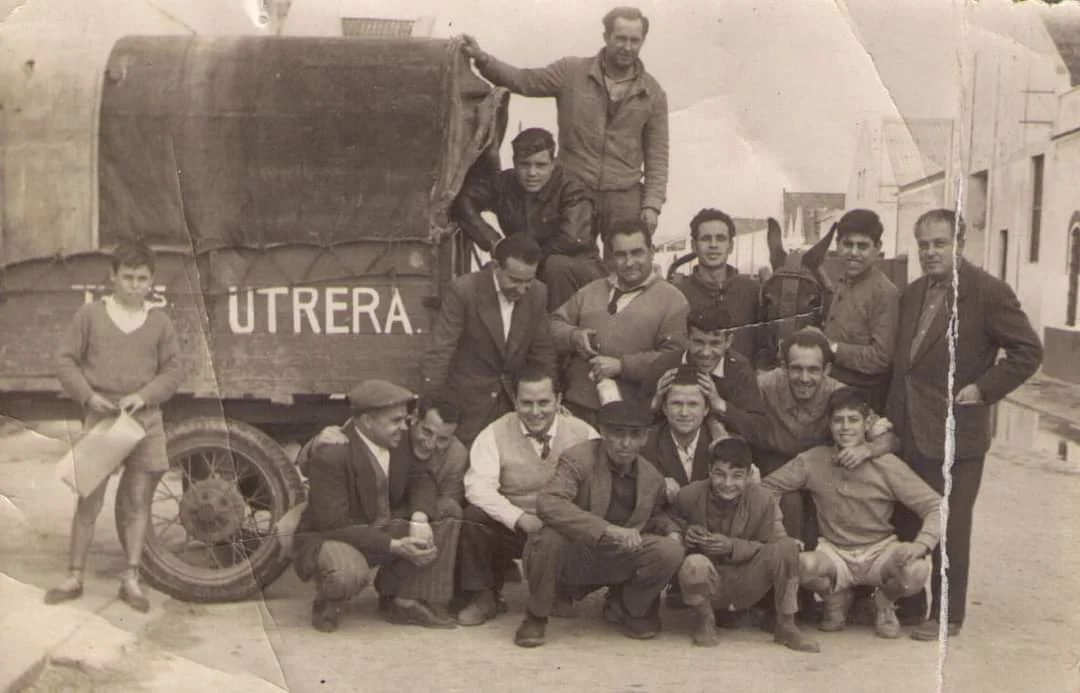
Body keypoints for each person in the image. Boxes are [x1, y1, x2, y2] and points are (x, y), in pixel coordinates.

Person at [887, 209, 1042, 640]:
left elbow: (1028, 352)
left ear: (960, 244)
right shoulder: (912, 292)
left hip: (958, 433)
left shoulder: (989, 293)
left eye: (939, 244)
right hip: (909, 427)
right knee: (906, 517)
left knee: (952, 525)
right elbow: (908, 365)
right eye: (923, 245)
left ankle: (948, 616)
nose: (930, 253)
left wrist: (983, 389)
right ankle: (911, 605)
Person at [46, 239, 181, 612]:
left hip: (145, 421)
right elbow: (65, 362)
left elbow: (172, 371)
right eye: (127, 277)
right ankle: (74, 575)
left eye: (142, 278)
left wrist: (145, 395)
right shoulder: (90, 315)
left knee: (137, 502)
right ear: (113, 276)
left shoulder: (159, 322)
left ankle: (131, 579)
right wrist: (88, 396)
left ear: (152, 281)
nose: (134, 285)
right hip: (103, 419)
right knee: (89, 500)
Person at [459, 6, 669, 238]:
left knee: (624, 265)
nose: (627, 47)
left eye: (635, 40)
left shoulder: (653, 93)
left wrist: (652, 204)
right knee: (569, 259)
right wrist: (483, 59)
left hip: (624, 195)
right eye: (620, 38)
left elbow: (657, 154)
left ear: (643, 41)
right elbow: (524, 81)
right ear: (606, 36)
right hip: (573, 189)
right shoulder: (571, 72)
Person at [762, 389, 942, 640]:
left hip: (880, 550)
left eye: (853, 420)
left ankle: (883, 601)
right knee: (798, 565)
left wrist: (922, 544)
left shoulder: (886, 465)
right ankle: (835, 596)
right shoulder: (814, 460)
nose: (845, 427)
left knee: (916, 571)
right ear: (829, 424)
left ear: (867, 424)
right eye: (838, 420)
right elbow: (767, 488)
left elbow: (936, 505)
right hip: (834, 552)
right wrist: (780, 534)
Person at [290, 380, 457, 632]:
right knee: (347, 573)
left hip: (379, 527)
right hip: (338, 537)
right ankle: (328, 598)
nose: (404, 426)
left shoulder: (397, 439)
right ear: (367, 421)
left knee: (447, 511)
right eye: (395, 420)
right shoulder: (332, 454)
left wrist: (420, 518)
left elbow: (421, 478)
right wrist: (396, 546)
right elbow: (334, 525)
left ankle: (399, 598)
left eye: (404, 419)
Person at [516, 400, 685, 647]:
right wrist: (606, 529)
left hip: (617, 555)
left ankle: (630, 607)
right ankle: (536, 616)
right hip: (576, 552)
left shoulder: (651, 476)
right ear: (603, 432)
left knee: (670, 550)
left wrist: (672, 532)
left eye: (634, 435)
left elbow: (653, 516)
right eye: (617, 434)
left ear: (645, 438)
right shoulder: (578, 458)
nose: (626, 444)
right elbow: (549, 503)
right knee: (549, 537)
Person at [457, 366, 598, 626]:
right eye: (526, 403)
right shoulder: (494, 433)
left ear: (559, 399)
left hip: (563, 529)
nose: (535, 412)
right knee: (473, 517)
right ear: (515, 401)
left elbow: (600, 484)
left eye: (544, 402)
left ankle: (563, 591)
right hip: (516, 526)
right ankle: (483, 596)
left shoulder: (583, 433)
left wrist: (565, 520)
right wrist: (519, 517)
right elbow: (478, 486)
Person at [749, 327, 898, 543]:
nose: (804, 378)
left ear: (827, 370)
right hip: (775, 460)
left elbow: (890, 438)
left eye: (813, 369)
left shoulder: (839, 392)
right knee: (789, 502)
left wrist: (866, 449)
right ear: (784, 368)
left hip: (821, 464)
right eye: (796, 369)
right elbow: (731, 412)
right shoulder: (765, 385)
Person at [672, 437, 819, 652]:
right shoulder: (689, 494)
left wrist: (732, 546)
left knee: (787, 546)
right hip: (709, 582)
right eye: (720, 474)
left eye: (737, 476)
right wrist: (686, 531)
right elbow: (667, 521)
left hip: (749, 578)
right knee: (694, 563)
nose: (727, 483)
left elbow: (771, 545)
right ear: (709, 471)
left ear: (750, 475)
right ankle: (705, 620)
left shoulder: (763, 499)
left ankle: (786, 625)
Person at [421, 233, 557, 444]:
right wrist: (432, 407)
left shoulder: (538, 293)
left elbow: (543, 353)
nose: (522, 290)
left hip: (513, 407)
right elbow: (440, 352)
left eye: (528, 281)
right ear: (495, 267)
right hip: (467, 407)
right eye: (514, 280)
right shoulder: (463, 291)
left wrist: (549, 399)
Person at [453, 127, 607, 310]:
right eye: (525, 165)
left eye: (540, 165)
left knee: (556, 267)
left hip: (577, 269)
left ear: (553, 163)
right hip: (528, 266)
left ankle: (559, 330)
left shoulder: (572, 189)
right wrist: (494, 242)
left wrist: (518, 259)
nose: (532, 173)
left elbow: (571, 240)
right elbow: (463, 201)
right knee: (491, 273)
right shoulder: (505, 183)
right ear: (514, 163)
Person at [551, 222, 688, 424]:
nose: (629, 262)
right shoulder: (592, 290)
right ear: (611, 257)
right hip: (576, 409)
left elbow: (676, 357)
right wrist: (573, 336)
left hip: (630, 415)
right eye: (621, 254)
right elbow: (553, 324)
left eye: (637, 253)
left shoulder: (673, 300)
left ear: (652, 252)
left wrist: (623, 366)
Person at [647, 305, 769, 442]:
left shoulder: (739, 370)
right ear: (687, 339)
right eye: (698, 342)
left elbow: (759, 431)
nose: (706, 352)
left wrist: (719, 404)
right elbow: (638, 421)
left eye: (715, 343)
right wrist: (655, 403)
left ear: (728, 341)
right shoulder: (664, 365)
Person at [820, 209, 899, 413]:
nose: (853, 252)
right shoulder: (842, 281)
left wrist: (832, 348)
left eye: (862, 246)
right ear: (837, 245)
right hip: (832, 391)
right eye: (847, 244)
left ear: (878, 248)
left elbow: (881, 358)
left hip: (863, 401)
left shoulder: (884, 293)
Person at [670, 209, 764, 365]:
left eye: (720, 239)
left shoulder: (752, 291)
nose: (713, 245)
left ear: (731, 246)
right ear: (694, 246)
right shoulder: (677, 293)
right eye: (706, 239)